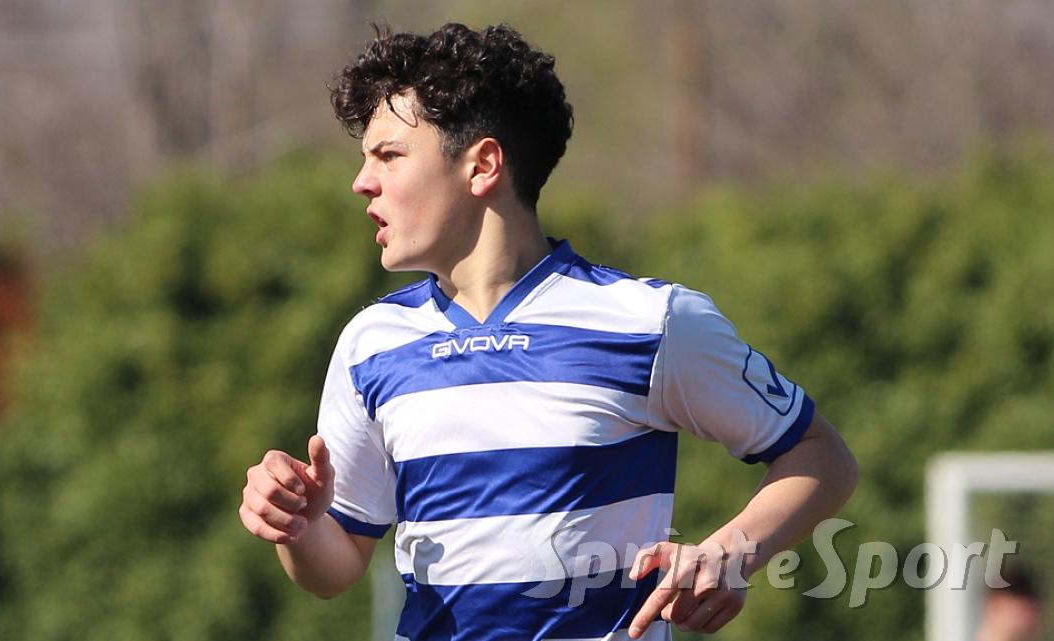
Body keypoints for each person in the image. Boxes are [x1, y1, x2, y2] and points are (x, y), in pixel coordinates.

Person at [239, 22, 858, 641]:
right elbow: (335, 566)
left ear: (483, 165)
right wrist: (298, 525)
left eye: (389, 156)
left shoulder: (652, 322)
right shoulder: (371, 342)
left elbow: (821, 455)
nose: (362, 181)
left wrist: (731, 552)